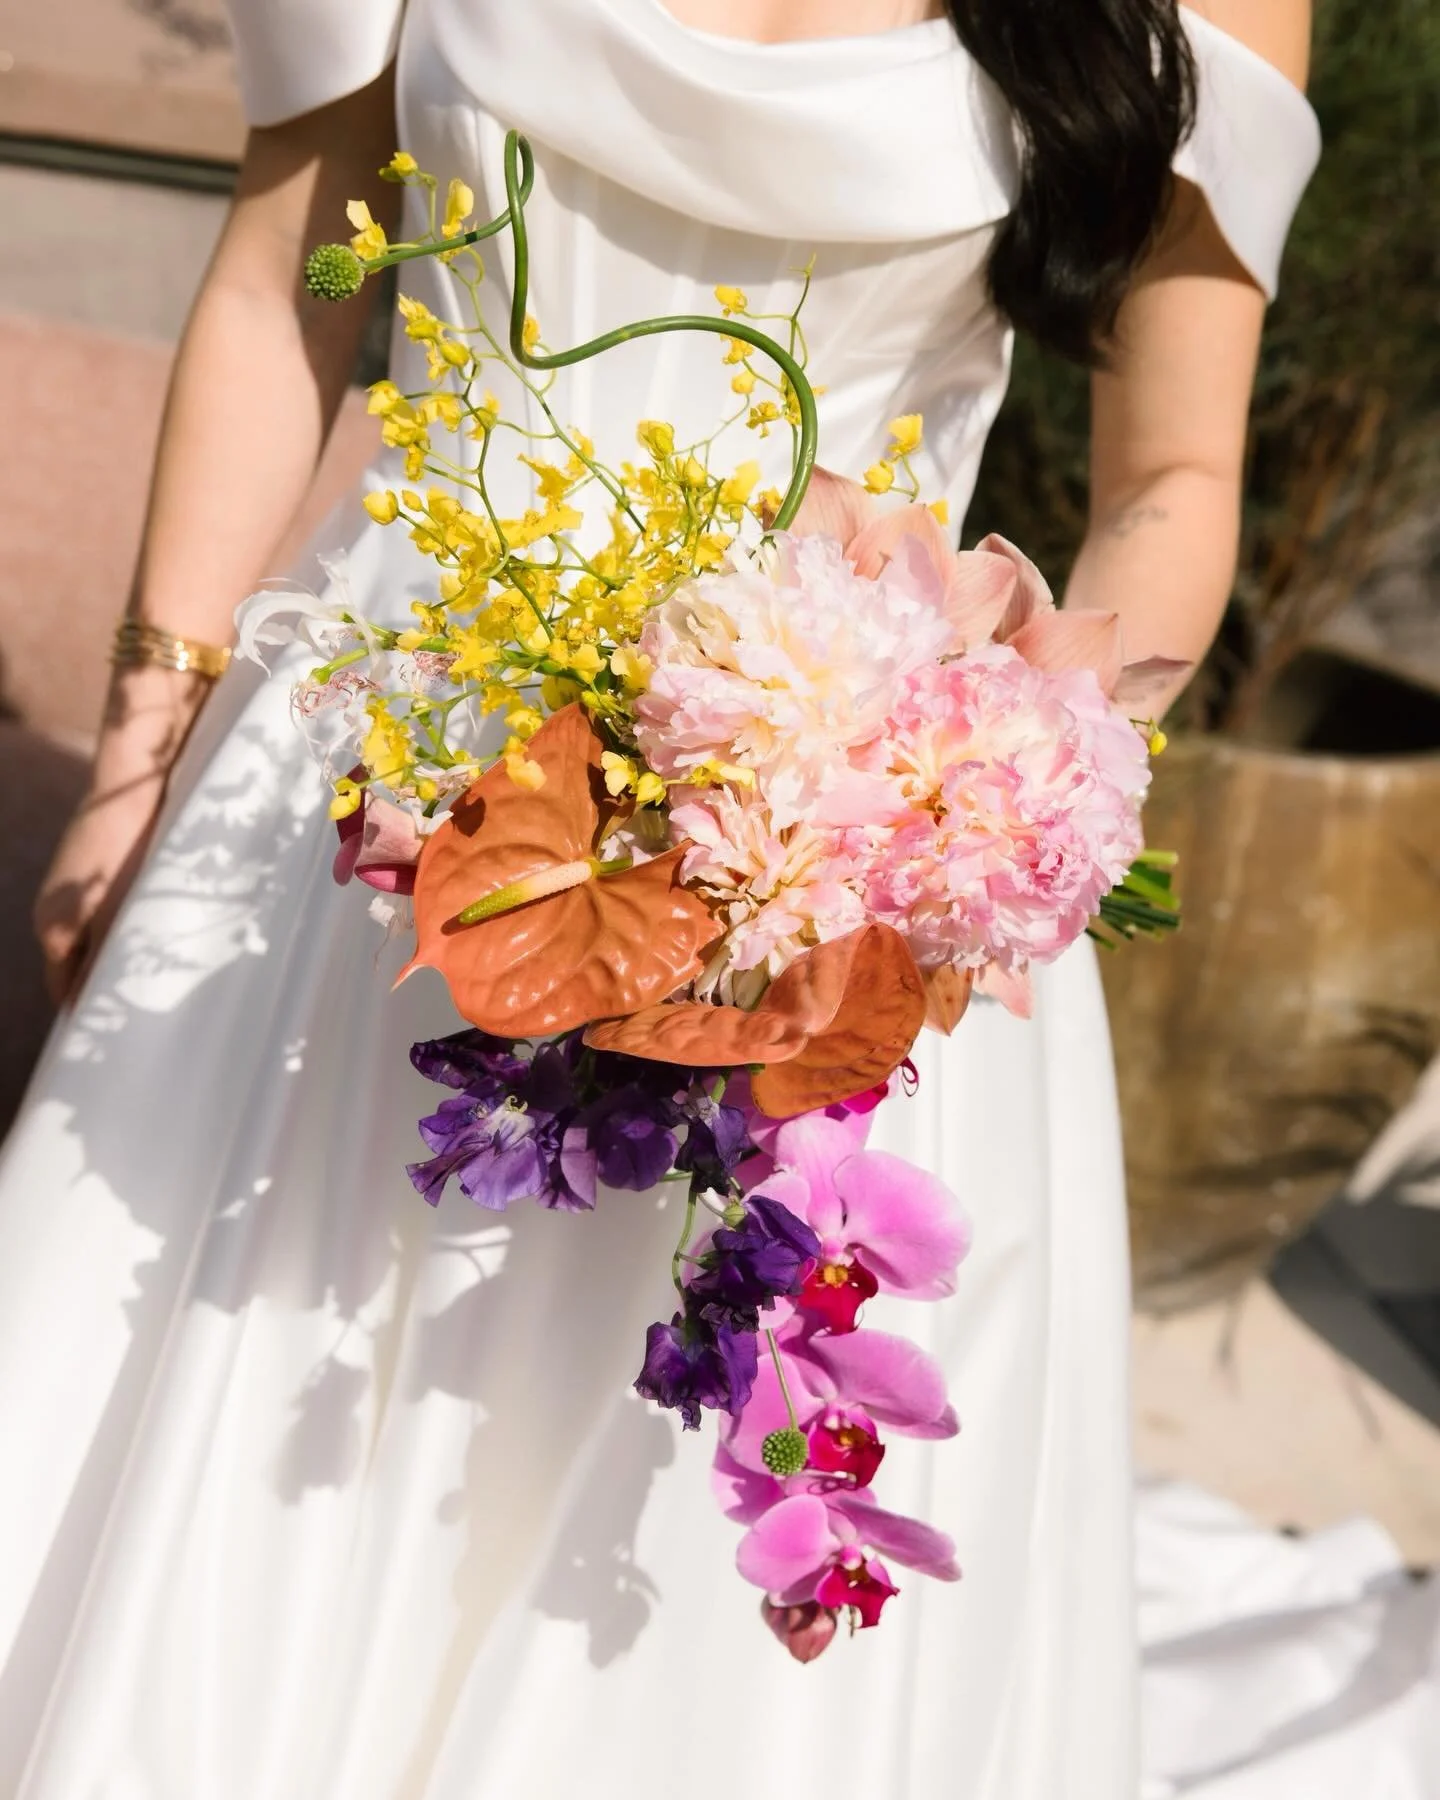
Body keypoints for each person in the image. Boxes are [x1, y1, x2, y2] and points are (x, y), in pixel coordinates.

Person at [2, 1, 1317, 1794]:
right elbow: (277, 277)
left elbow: (1172, 474)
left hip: (862, 853)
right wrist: (143, 741)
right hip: (378, 775)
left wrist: (978, 789)